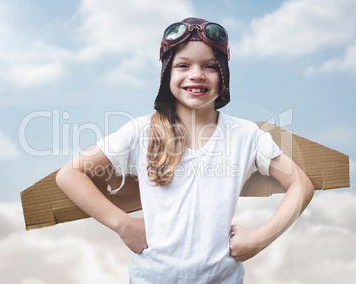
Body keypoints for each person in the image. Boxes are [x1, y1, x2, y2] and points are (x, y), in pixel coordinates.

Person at [56, 17, 314, 284]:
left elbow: (301, 185)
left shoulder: (245, 135)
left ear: (223, 75)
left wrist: (259, 240)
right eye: (183, 65)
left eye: (210, 66)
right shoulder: (140, 131)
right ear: (167, 72)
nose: (197, 74)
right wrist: (124, 225)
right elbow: (70, 174)